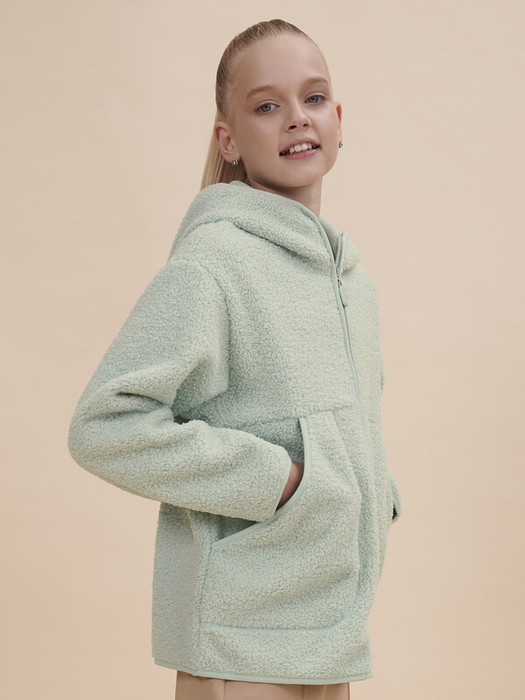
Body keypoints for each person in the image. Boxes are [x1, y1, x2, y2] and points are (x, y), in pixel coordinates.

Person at [67, 17, 402, 700]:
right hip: (238, 640)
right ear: (228, 139)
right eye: (266, 106)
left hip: (331, 636)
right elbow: (104, 424)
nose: (297, 118)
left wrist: (370, 492)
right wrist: (281, 481)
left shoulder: (353, 283)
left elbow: (347, 429)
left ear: (339, 120)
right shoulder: (215, 262)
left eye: (313, 98)